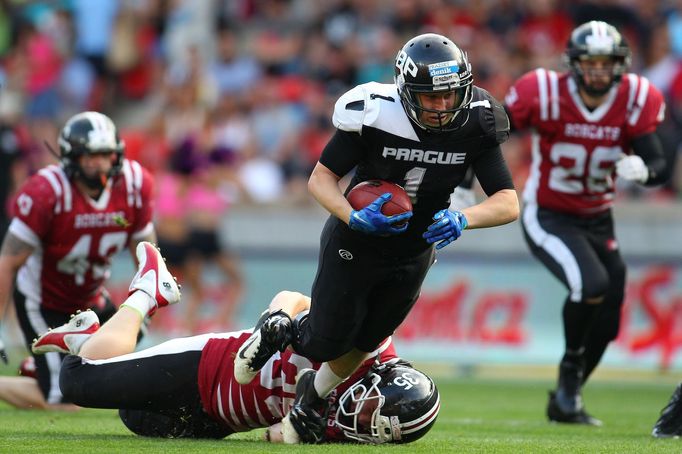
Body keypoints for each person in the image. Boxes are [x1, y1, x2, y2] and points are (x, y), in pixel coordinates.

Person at [234, 32, 519, 443]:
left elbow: (508, 202)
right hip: (358, 241)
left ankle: (309, 402)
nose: (441, 107)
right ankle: (282, 322)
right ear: (405, 93)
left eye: (449, 95)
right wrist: (353, 217)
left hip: (417, 248)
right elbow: (321, 179)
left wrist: (463, 218)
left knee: (368, 341)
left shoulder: (479, 119)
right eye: (430, 97)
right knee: (326, 341)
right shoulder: (374, 111)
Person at [32, 241, 440, 444]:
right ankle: (147, 292)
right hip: (210, 367)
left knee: (137, 419)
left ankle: (90, 335)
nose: (361, 418)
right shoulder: (367, 342)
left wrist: (295, 433)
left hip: (222, 420)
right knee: (76, 383)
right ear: (383, 377)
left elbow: (275, 436)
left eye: (374, 427)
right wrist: (275, 318)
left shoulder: (352, 429)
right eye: (372, 410)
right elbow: (295, 299)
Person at [503, 21, 669, 425]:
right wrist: (472, 181)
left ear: (620, 65)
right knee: (590, 284)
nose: (597, 71)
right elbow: (492, 131)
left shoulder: (635, 99)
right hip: (548, 214)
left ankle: (567, 398)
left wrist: (644, 172)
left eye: (606, 63)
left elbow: (660, 163)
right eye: (590, 62)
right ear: (574, 65)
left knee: (609, 316)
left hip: (598, 218)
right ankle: (567, 374)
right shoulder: (543, 92)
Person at [0, 111, 157, 409]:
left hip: (91, 299)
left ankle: (41, 371)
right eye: (90, 155)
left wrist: (145, 301)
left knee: (117, 366)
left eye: (105, 154)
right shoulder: (47, 191)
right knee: (69, 398)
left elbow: (145, 252)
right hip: (43, 302)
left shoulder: (134, 185)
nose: (99, 162)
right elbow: (8, 261)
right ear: (72, 157)